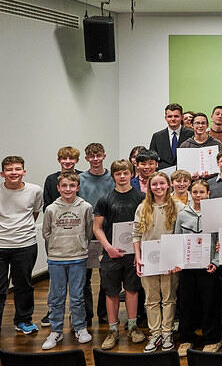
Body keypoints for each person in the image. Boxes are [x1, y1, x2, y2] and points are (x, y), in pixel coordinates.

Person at [94, 160, 147, 350]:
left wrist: (140, 250)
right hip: (112, 254)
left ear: (132, 174)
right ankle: (113, 330)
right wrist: (108, 248)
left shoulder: (142, 197)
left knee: (132, 290)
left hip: (134, 253)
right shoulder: (105, 199)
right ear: (113, 176)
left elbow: (145, 225)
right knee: (111, 292)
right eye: (118, 173)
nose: (122, 176)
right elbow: (97, 227)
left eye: (125, 173)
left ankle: (133, 326)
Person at [40, 171, 94, 349]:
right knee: (56, 297)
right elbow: (46, 232)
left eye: (72, 185)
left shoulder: (86, 207)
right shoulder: (51, 209)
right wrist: (58, 243)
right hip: (56, 259)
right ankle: (56, 331)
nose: (68, 189)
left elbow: (88, 231)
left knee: (77, 296)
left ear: (78, 187)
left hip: (78, 258)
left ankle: (80, 328)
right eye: (64, 185)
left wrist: (79, 244)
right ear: (58, 188)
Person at [133, 171, 184, 352]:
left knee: (169, 298)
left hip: (170, 259)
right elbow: (136, 234)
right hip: (149, 259)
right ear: (149, 187)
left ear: (168, 185)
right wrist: (138, 257)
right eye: (154, 184)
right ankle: (155, 333)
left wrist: (178, 259)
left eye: (162, 183)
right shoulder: (142, 207)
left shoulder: (178, 206)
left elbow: (184, 234)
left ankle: (167, 332)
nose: (158, 187)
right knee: (151, 298)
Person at [173, 180, 222, 354]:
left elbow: (221, 241)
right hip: (187, 267)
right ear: (190, 193)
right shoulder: (183, 215)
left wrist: (216, 262)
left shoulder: (215, 215)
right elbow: (177, 239)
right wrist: (178, 261)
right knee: (186, 303)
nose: (198, 195)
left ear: (208, 193)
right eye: (195, 192)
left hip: (208, 266)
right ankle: (186, 339)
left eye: (202, 192)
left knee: (210, 303)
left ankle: (213, 339)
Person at [78, 142, 114, 326]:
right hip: (85, 232)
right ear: (86, 158)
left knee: (106, 274)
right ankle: (85, 314)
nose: (95, 159)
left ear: (104, 156)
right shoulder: (80, 178)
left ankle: (104, 313)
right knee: (83, 276)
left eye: (98, 155)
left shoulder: (112, 177)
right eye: (91, 156)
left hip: (106, 231)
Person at [149, 103, 192, 170]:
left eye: (176, 116)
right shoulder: (157, 137)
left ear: (182, 117)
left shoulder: (191, 134)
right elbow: (151, 159)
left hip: (185, 172)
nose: (173, 119)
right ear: (165, 118)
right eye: (170, 116)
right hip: (163, 173)